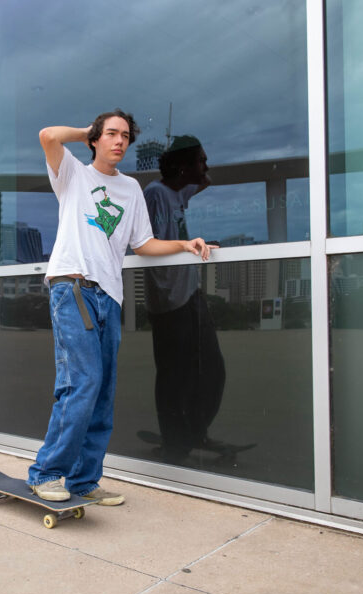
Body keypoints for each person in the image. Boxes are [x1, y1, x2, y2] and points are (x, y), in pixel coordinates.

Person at [27, 110, 216, 505]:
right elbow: (48, 135)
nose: (119, 141)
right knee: (82, 382)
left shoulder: (130, 189)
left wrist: (183, 244)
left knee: (103, 393)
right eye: (111, 134)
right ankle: (46, 472)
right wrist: (87, 132)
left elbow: (143, 243)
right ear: (96, 138)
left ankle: (83, 481)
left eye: (125, 136)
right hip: (73, 286)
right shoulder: (73, 174)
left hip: (109, 297)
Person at [143, 135, 226, 463]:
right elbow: (147, 243)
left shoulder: (178, 193)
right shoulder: (156, 195)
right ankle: (175, 443)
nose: (206, 167)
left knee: (211, 370)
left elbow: (203, 181)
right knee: (174, 378)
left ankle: (192, 432)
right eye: (200, 160)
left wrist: (199, 175)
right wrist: (185, 244)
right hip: (169, 301)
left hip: (190, 295)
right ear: (182, 165)